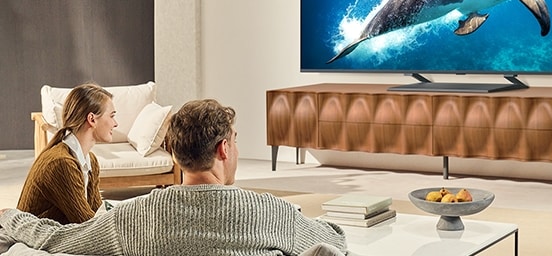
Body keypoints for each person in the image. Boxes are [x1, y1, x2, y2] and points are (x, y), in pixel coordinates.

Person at [0, 99, 347, 256]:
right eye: (236, 140)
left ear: (174, 152)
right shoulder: (270, 212)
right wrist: (297, 217)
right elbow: (337, 240)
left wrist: (13, 218)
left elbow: (62, 239)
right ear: (224, 149)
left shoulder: (133, 218)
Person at [16, 83, 117, 224]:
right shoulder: (61, 163)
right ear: (92, 119)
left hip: (58, 234)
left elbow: (97, 212)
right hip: (36, 241)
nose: (115, 123)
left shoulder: (90, 160)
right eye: (112, 116)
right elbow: (89, 226)